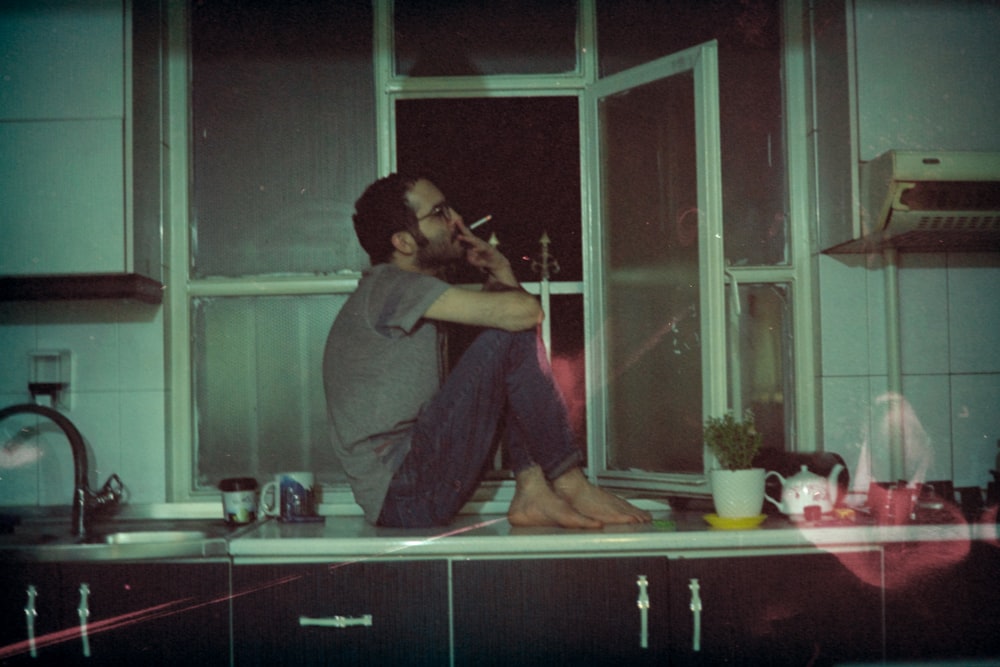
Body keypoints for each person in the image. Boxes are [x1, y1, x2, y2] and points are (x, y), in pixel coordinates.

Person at [322, 173, 651, 529]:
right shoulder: (392, 285)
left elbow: (518, 329)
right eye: (440, 213)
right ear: (403, 242)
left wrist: (501, 270)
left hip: (408, 492)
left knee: (506, 341)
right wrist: (504, 278)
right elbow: (522, 315)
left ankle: (533, 490)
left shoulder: (403, 291)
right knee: (504, 337)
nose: (457, 221)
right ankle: (569, 483)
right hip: (405, 489)